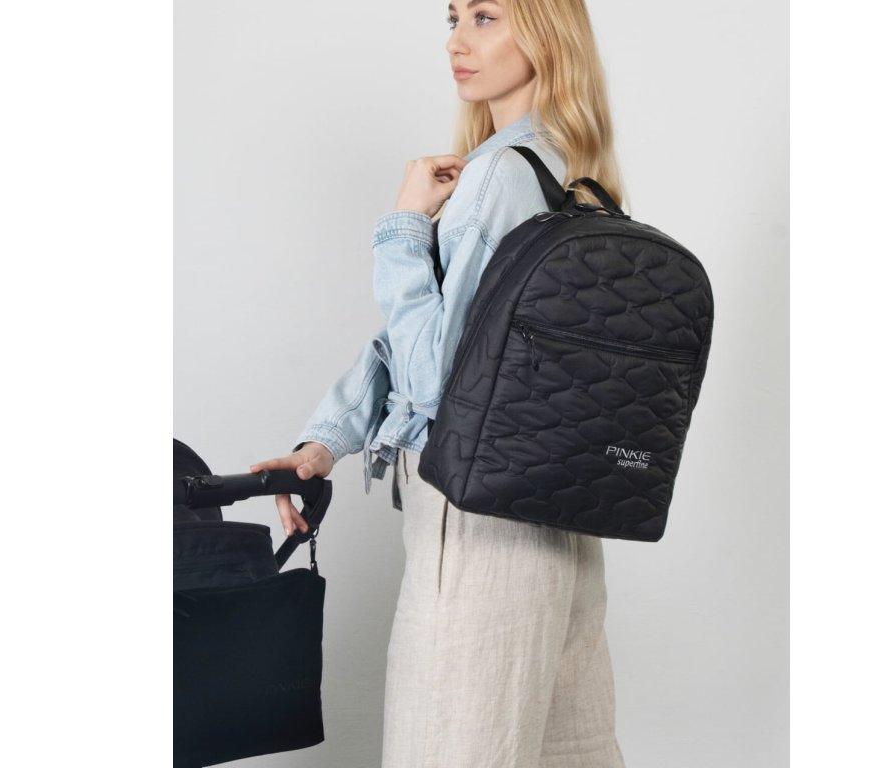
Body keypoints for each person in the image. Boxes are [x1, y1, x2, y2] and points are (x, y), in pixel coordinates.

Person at [252, 1, 628, 765]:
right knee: (569, 751)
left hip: (478, 520)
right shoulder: (578, 176)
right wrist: (328, 440)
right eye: (452, 17)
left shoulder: (494, 177)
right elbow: (460, 347)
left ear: (547, 29)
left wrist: (403, 228)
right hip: (562, 520)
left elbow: (435, 380)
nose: (457, 40)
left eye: (485, 16)